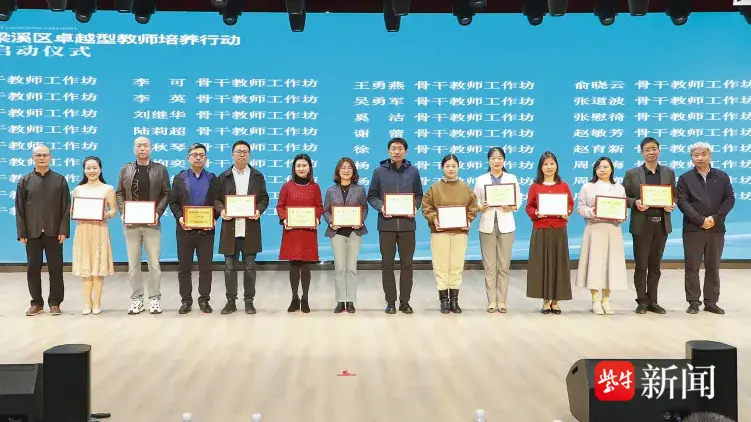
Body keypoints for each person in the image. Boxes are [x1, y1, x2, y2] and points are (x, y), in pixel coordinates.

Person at [676, 142, 735, 315]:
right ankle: (693, 302)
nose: (700, 158)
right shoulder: (685, 178)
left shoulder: (721, 176)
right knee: (692, 267)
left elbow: (729, 199)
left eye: (703, 154)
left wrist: (715, 218)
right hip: (693, 229)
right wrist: (700, 220)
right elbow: (683, 202)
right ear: (691, 158)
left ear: (710, 155)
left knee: (713, 266)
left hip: (716, 229)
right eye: (696, 155)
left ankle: (711, 302)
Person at [367, 137, 424, 314]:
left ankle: (405, 302)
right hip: (386, 225)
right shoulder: (379, 171)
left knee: (407, 264)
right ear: (388, 151)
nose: (396, 151)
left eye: (400, 148)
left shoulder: (413, 171)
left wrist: (414, 207)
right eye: (393, 148)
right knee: (387, 264)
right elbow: (372, 196)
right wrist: (381, 207)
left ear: (406, 151)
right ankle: (390, 302)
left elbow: (419, 196)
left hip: (407, 225)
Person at [213, 140, 269, 315]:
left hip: (250, 227)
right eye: (238, 151)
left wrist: (259, 210)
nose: (242, 154)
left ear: (249, 155)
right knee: (229, 268)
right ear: (232, 155)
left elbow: (264, 198)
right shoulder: (223, 177)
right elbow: (216, 199)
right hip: (230, 228)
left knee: (250, 268)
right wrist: (221, 210)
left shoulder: (257, 176)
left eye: (245, 151)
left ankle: (249, 301)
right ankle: (231, 301)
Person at [116, 136, 171, 315]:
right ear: (134, 149)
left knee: (154, 264)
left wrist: (158, 213)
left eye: (145, 146)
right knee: (133, 265)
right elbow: (119, 193)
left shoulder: (160, 169)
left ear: (150, 149)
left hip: (152, 223)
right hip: (131, 224)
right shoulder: (125, 169)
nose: (142, 148)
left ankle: (154, 298)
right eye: (139, 146)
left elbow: (166, 193)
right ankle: (137, 299)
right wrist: (123, 212)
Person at [623, 137, 676, 314]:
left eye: (654, 149)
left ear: (659, 151)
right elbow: (623, 197)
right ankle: (642, 301)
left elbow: (674, 195)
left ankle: (653, 301)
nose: (651, 152)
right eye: (647, 150)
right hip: (642, 224)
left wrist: (672, 203)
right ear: (642, 153)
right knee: (641, 265)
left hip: (661, 224)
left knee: (655, 266)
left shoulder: (668, 172)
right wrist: (635, 203)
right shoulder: (632, 173)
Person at [15, 144, 70, 316]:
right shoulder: (25, 181)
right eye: (38, 155)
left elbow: (66, 207)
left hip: (54, 232)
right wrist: (22, 233)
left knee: (56, 269)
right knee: (33, 269)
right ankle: (36, 303)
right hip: (32, 233)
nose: (42, 158)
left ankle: (55, 303)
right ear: (33, 158)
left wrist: (63, 230)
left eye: (45, 155)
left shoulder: (60, 180)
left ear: (50, 157)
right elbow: (19, 208)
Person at [422, 154, 479, 314]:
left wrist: (468, 219)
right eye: (448, 166)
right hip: (440, 233)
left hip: (459, 233)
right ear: (442, 168)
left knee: (456, 266)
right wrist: (434, 219)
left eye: (454, 166)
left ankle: (454, 300)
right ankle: (444, 301)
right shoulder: (434, 188)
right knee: (441, 266)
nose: (451, 169)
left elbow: (473, 206)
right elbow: (426, 207)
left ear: (458, 167)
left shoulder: (465, 188)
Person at [574, 157, 628, 315]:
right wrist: (592, 211)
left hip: (613, 229)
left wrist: (622, 216)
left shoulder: (619, 188)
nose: (602, 170)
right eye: (599, 167)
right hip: (594, 228)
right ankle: (595, 300)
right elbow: (580, 208)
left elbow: (623, 208)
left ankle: (606, 301)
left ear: (612, 169)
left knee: (610, 265)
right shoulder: (587, 187)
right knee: (595, 264)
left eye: (605, 167)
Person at [168, 143, 217, 314]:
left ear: (206, 158)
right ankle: (186, 301)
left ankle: (204, 300)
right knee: (184, 268)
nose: (198, 158)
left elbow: (217, 202)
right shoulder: (179, 178)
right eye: (195, 155)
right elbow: (173, 202)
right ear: (188, 158)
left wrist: (215, 218)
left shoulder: (212, 178)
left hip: (206, 231)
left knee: (206, 268)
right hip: (184, 230)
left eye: (201, 155)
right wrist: (180, 217)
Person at [525, 151, 574, 314]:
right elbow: (529, 207)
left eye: (552, 163)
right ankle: (546, 301)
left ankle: (556, 301)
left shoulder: (563, 185)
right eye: (545, 164)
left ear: (557, 166)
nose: (549, 167)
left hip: (559, 229)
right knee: (542, 264)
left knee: (558, 264)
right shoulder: (535, 186)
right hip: (541, 228)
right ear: (541, 167)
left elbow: (570, 204)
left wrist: (567, 211)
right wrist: (536, 213)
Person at [473, 146, 521, 313]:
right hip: (487, 224)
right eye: (493, 158)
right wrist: (481, 206)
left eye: (499, 158)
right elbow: (475, 202)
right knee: (489, 266)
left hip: (506, 225)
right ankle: (491, 300)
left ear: (504, 160)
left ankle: (502, 301)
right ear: (488, 161)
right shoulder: (481, 180)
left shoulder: (511, 178)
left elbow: (518, 200)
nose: (496, 161)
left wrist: (511, 207)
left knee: (503, 265)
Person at [277, 153, 323, 313]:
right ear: (294, 168)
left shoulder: (315, 187)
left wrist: (316, 218)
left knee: (305, 265)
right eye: (298, 166)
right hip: (292, 230)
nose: (301, 168)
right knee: (294, 265)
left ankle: (305, 298)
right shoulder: (287, 186)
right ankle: (294, 298)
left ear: (309, 168)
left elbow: (319, 206)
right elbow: (280, 206)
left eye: (304, 165)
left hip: (308, 231)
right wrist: (284, 219)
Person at [322, 157, 368, 314]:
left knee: (351, 268)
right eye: (343, 167)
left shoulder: (360, 190)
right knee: (340, 268)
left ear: (353, 171)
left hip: (355, 232)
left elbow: (364, 208)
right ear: (338, 171)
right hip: (337, 233)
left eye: (349, 167)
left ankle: (351, 301)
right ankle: (341, 301)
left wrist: (360, 220)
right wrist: (331, 221)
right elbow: (326, 210)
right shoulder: (331, 190)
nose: (346, 170)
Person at [71, 156, 116, 315]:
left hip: (99, 229)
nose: (91, 171)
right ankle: (86, 303)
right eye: (88, 168)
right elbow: (73, 210)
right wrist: (74, 212)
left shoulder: (108, 189)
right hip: (83, 230)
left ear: (100, 169)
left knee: (98, 268)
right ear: (84, 170)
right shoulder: (78, 189)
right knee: (86, 268)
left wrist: (105, 214)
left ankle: (97, 303)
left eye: (94, 167)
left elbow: (113, 210)